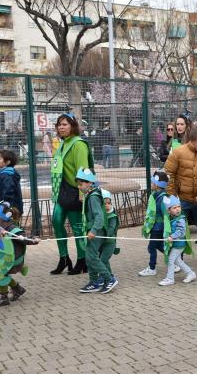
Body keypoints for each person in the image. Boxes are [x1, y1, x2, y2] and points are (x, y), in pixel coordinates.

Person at [50, 113, 93, 276]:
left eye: (65, 124)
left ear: (73, 126)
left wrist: (83, 194)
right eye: (59, 124)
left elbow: (83, 169)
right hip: (62, 191)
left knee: (77, 227)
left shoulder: (78, 144)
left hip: (75, 191)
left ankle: (83, 260)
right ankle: (64, 258)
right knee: (57, 220)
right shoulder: (62, 144)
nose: (61, 127)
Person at [165, 125, 197, 260]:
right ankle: (177, 257)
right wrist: (172, 196)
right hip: (182, 199)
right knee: (179, 229)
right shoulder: (178, 152)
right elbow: (169, 174)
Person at [76, 168, 118, 294]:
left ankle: (109, 279)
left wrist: (93, 230)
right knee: (90, 257)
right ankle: (94, 282)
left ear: (89, 183)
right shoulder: (91, 194)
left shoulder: (93, 196)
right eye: (78, 183)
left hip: (96, 231)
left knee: (91, 257)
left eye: (81, 183)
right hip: (94, 230)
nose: (79, 186)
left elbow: (99, 216)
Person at [0, 203, 39, 308]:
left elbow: (24, 237)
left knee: (0, 273)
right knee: (3, 274)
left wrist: (33, 239)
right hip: (8, 259)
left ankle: (3, 297)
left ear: (2, 218)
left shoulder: (12, 229)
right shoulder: (2, 228)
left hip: (13, 261)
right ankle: (17, 289)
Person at [159, 196, 197, 286]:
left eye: (178, 207)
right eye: (174, 208)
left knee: (171, 260)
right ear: (169, 210)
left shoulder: (180, 219)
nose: (177, 209)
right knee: (178, 261)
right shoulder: (171, 218)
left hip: (179, 244)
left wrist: (172, 236)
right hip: (176, 243)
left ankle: (170, 279)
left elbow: (181, 231)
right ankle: (191, 273)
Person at [139, 172, 170, 277]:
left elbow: (165, 214)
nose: (151, 184)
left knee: (152, 247)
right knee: (158, 246)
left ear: (157, 185)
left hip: (158, 227)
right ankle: (174, 260)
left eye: (153, 183)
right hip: (156, 226)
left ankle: (152, 268)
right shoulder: (155, 195)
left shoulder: (162, 198)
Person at [0, 149, 23, 214]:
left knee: (10, 224)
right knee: (13, 223)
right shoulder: (8, 173)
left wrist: (5, 209)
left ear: (7, 162)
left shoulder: (6, 175)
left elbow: (8, 192)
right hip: (13, 207)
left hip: (10, 209)